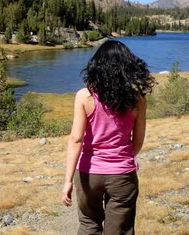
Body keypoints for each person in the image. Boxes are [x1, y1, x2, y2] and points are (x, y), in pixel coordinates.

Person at [61, 40, 155, 235]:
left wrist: (68, 180)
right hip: (122, 175)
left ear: (96, 66)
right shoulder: (138, 99)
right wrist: (123, 157)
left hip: (89, 174)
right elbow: (137, 141)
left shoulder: (84, 96)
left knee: (89, 225)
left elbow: (76, 140)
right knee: (119, 230)